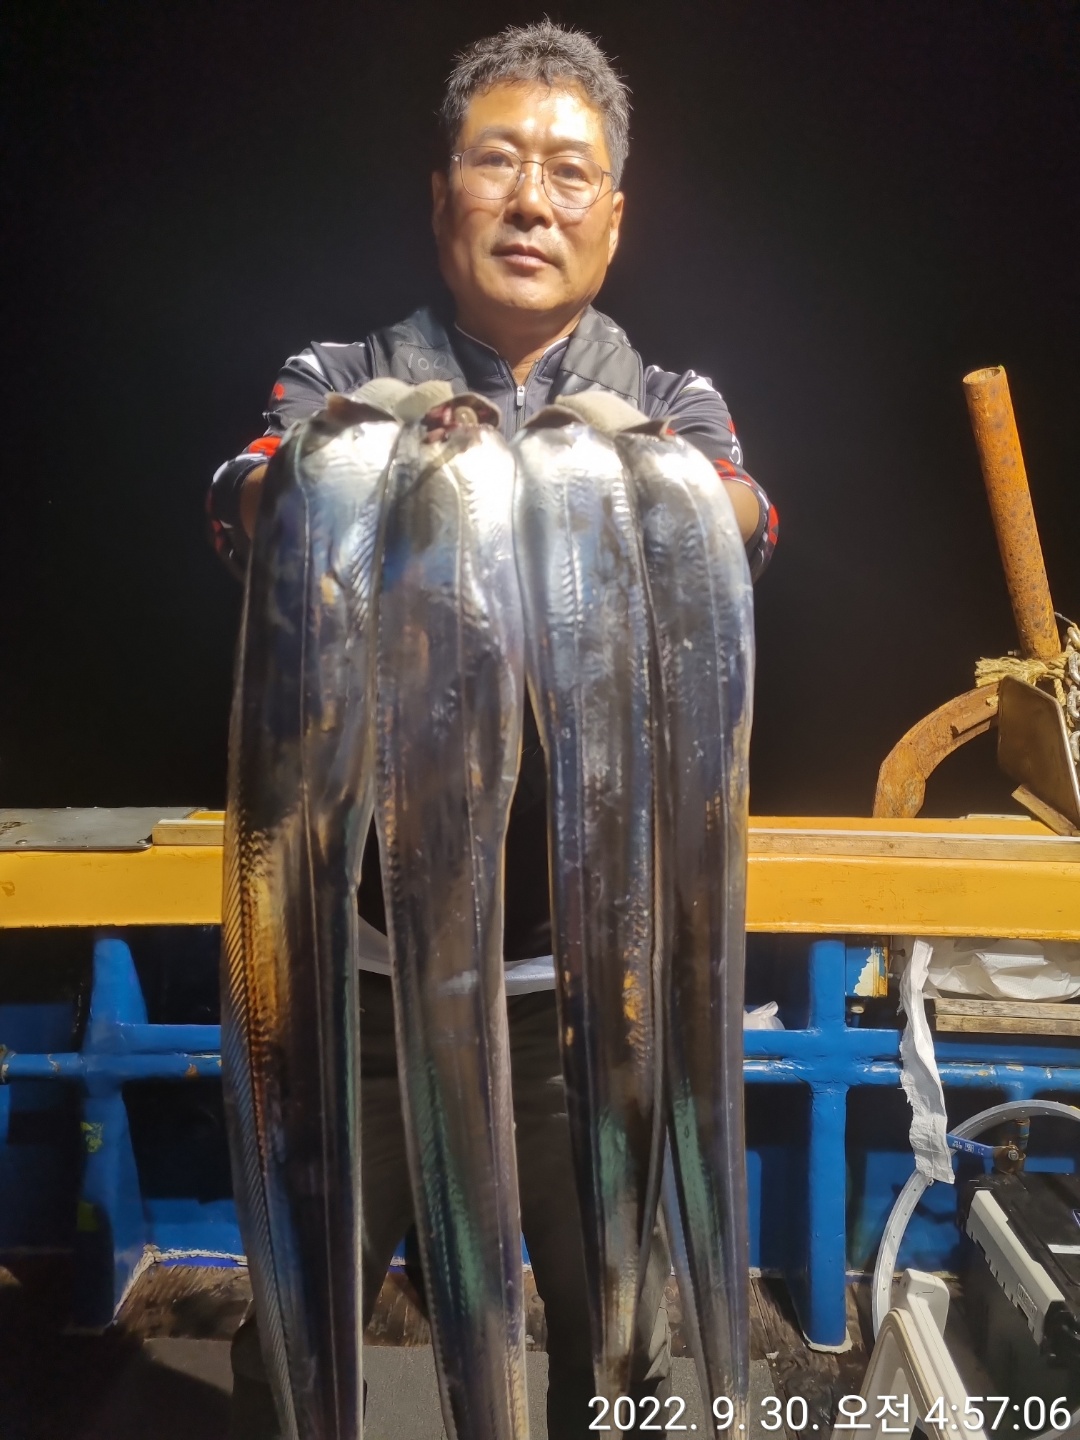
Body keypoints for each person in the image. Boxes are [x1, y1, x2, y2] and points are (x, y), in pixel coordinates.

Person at [209, 21, 777, 1440]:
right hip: (361, 994)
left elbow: (747, 519)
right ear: (441, 194)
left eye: (569, 173)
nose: (533, 200)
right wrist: (341, 463)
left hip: (585, 999)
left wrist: (666, 494)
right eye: (498, 161)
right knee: (295, 1352)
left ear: (614, 218)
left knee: (623, 1351)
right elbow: (245, 499)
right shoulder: (337, 378)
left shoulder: (672, 409)